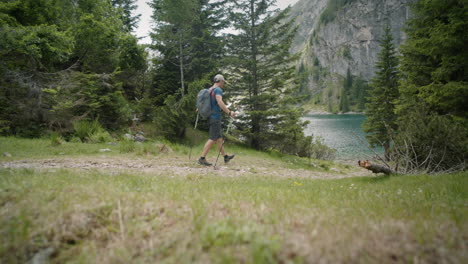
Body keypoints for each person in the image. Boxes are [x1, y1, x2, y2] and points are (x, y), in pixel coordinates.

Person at [198, 74, 236, 166]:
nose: (223, 84)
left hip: (211, 116)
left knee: (219, 139)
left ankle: (225, 157)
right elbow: (219, 102)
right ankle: (202, 158)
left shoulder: (210, 90)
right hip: (215, 117)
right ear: (220, 81)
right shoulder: (218, 90)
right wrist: (229, 112)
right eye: (223, 82)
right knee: (212, 139)